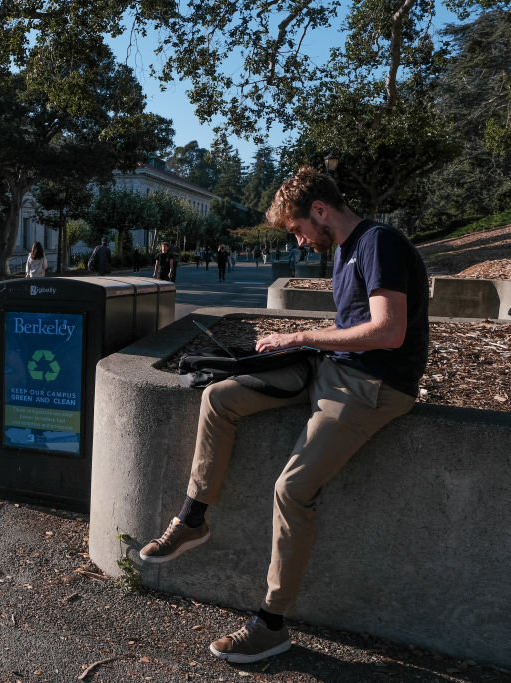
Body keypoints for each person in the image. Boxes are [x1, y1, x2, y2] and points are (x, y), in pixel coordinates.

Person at [138, 166, 429, 664]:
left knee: (292, 489)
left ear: (320, 210)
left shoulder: (378, 243)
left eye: (297, 228)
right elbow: (353, 325)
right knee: (219, 398)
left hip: (373, 385)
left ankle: (271, 624)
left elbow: (388, 331)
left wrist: (301, 336)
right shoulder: (345, 247)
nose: (298, 239)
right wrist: (295, 342)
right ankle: (193, 519)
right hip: (333, 369)